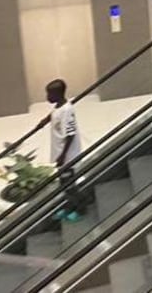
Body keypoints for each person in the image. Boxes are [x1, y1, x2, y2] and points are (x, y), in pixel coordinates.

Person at [46, 79, 85, 222]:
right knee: (64, 184)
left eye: (49, 94)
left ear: (58, 93)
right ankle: (69, 206)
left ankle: (79, 209)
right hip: (60, 153)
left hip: (68, 156)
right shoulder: (58, 106)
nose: (47, 97)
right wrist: (45, 121)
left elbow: (70, 134)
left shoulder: (67, 110)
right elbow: (55, 115)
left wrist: (63, 156)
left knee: (69, 184)